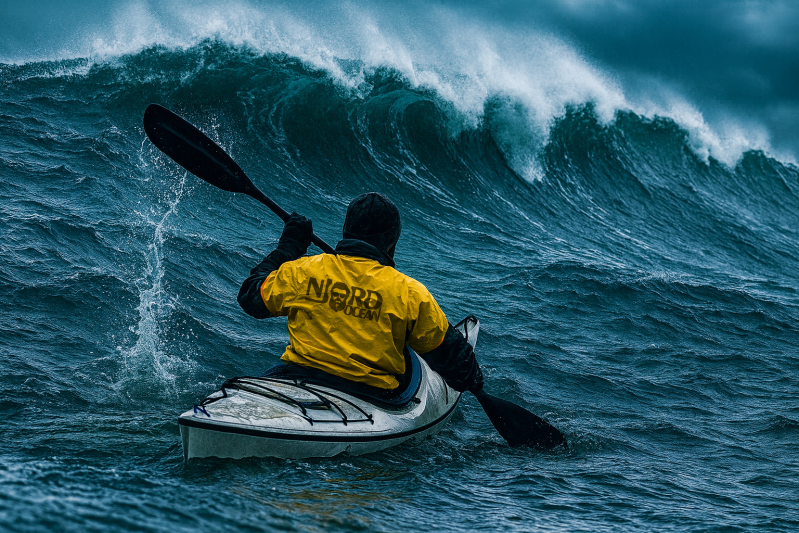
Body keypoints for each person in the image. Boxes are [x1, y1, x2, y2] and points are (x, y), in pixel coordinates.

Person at [237, 192, 483, 401]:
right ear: (392, 245)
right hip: (370, 396)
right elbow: (457, 363)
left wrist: (290, 245)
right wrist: (474, 382)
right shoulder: (410, 294)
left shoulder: (303, 270)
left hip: (298, 378)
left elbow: (251, 297)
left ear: (345, 231)